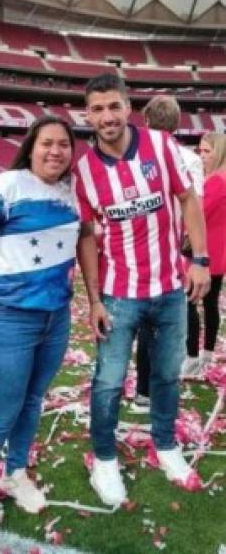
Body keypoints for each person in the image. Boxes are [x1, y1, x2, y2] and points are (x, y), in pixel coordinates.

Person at [73, 73, 210, 506]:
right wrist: (94, 298)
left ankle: (166, 444)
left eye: (113, 106)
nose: (106, 116)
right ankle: (105, 457)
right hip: (118, 293)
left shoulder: (161, 145)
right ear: (87, 115)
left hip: (170, 286)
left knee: (167, 374)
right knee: (109, 381)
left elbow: (188, 199)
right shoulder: (84, 171)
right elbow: (87, 237)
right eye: (97, 109)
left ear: (128, 107)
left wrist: (201, 261)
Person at [0, 116, 80, 526]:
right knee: (3, 407)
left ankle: (15, 472)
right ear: (32, 146)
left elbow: (85, 238)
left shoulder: (71, 192)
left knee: (32, 400)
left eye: (64, 144)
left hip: (55, 316)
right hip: (7, 316)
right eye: (47, 143)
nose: (55, 151)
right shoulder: (5, 185)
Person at [135, 95, 204, 391]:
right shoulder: (190, 159)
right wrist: (198, 256)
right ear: (177, 123)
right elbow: (195, 204)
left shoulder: (133, 156)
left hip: (140, 251)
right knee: (171, 321)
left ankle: (143, 389)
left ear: (146, 121)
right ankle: (166, 382)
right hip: (175, 251)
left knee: (143, 321)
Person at [185, 132, 226, 371]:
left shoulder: (216, 181)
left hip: (204, 252)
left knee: (189, 302)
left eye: (207, 151)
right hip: (217, 252)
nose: (201, 156)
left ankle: (192, 358)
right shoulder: (217, 178)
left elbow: (197, 214)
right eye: (200, 150)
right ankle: (207, 353)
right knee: (210, 304)